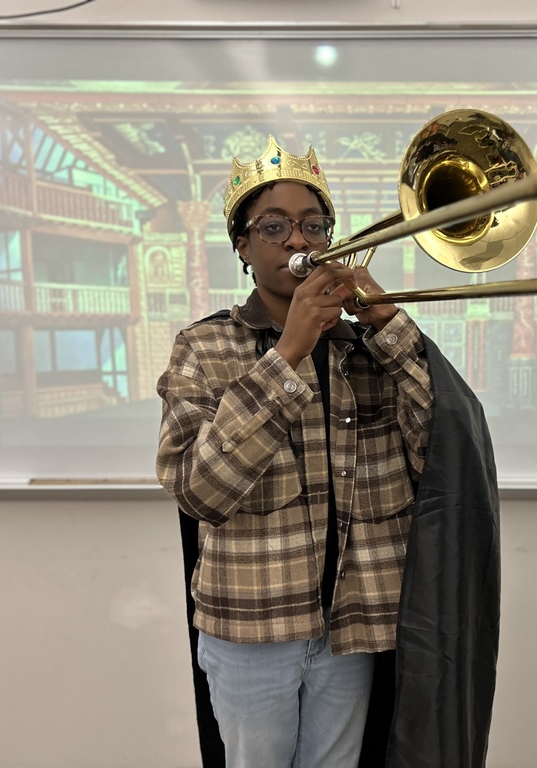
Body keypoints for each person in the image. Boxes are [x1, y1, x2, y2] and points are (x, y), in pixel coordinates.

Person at [156, 137, 434, 768]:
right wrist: (288, 354)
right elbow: (200, 489)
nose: (296, 240)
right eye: (273, 227)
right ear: (243, 248)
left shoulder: (368, 349)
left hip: (353, 625)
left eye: (314, 225)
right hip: (251, 626)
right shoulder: (204, 348)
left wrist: (389, 324)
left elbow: (436, 454)